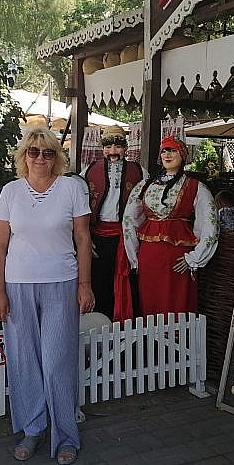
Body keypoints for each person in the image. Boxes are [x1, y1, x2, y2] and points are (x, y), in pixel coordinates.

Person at [0, 127, 94, 465]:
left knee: (57, 362)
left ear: (57, 157)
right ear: (24, 156)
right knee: (24, 362)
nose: (40, 158)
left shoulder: (72, 189)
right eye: (33, 152)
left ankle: (66, 436)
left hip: (62, 283)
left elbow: (82, 239)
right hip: (17, 284)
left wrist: (84, 284)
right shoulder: (10, 192)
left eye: (48, 152)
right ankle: (33, 428)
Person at [123, 135, 219, 317]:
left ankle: (177, 344)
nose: (167, 154)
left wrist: (195, 258)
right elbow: (129, 220)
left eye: (173, 150)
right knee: (151, 306)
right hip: (149, 258)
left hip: (178, 260)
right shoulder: (144, 185)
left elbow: (209, 224)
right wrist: (134, 257)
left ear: (183, 155)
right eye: (164, 150)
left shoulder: (196, 187)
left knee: (177, 307)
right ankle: (152, 344)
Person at [81, 126, 145, 321]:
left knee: (125, 283)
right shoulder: (89, 171)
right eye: (108, 146)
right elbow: (78, 207)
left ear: (125, 148)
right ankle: (98, 326)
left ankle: (123, 327)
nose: (113, 151)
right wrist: (84, 237)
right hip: (96, 237)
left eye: (118, 146)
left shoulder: (139, 172)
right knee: (98, 282)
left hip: (125, 238)